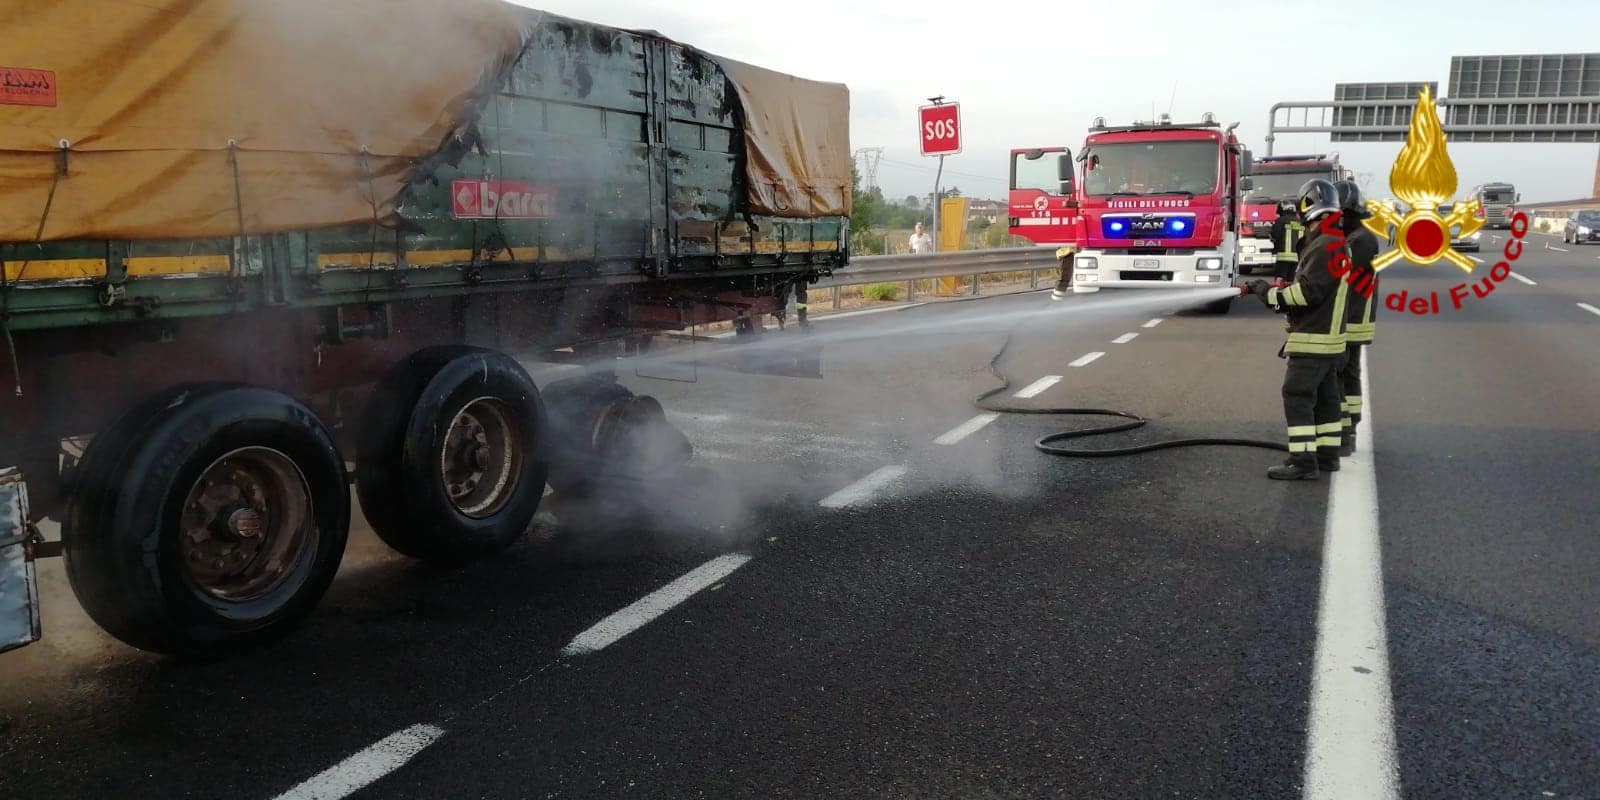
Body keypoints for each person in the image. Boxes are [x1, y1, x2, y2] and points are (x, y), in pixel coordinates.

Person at [1245, 179, 1351, 481]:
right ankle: (1327, 456)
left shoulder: (1325, 245)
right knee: (1327, 399)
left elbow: (1307, 295)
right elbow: (1318, 287)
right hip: (1330, 340)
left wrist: (1268, 294)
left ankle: (1303, 462)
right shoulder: (1336, 242)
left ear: (1308, 206)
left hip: (1313, 339)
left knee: (1297, 394)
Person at [1333, 179, 1378, 456]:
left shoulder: (1360, 241)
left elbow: (1339, 277)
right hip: (1350, 318)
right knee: (1346, 374)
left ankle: (1346, 431)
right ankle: (1345, 429)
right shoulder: (1356, 237)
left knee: (1344, 376)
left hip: (1352, 320)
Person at [1268, 199, 1303, 283]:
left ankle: (1278, 295)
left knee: (1280, 282)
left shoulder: (1280, 221)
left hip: (1283, 258)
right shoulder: (1301, 222)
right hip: (1297, 259)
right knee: (1291, 282)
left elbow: (1274, 235)